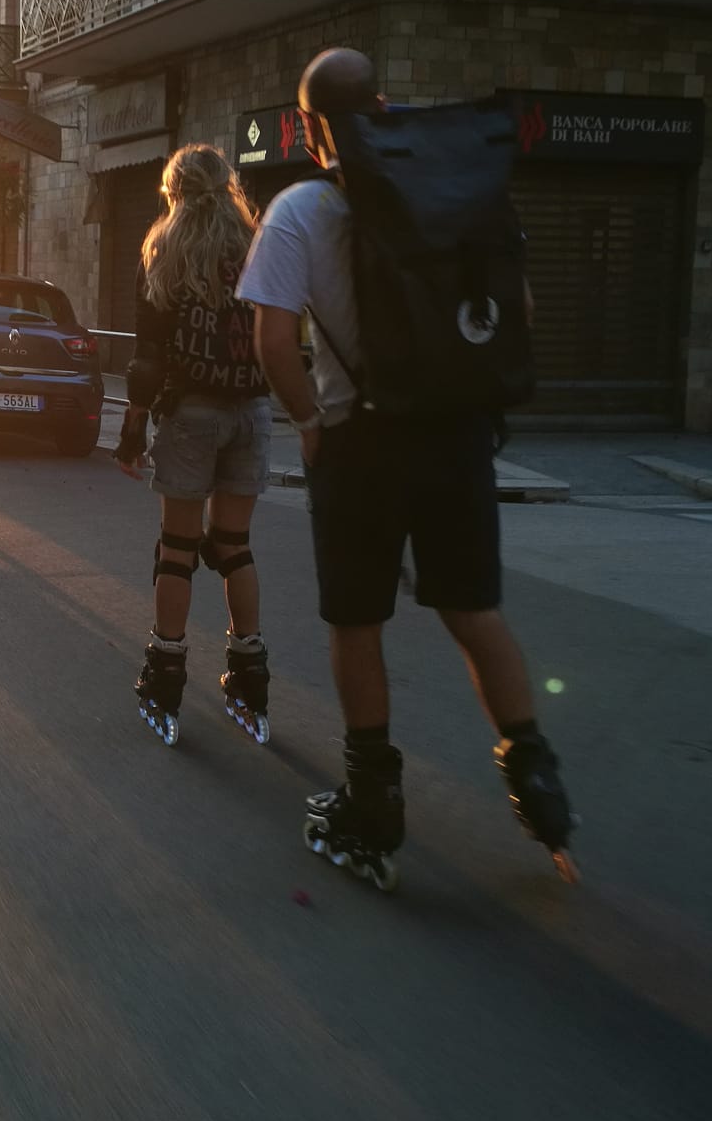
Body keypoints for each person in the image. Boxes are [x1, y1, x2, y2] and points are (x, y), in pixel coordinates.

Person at [234, 47, 572, 892]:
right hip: (456, 435)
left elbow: (272, 341)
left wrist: (309, 423)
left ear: (307, 127)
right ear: (381, 106)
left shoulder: (300, 209)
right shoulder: (461, 192)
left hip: (361, 441)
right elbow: (521, 310)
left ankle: (372, 803)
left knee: (358, 623)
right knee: (473, 610)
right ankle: (537, 780)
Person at [117, 144, 274, 747]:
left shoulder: (164, 247)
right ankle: (250, 676)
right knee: (234, 545)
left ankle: (165, 675)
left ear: (174, 190)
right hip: (252, 410)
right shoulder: (258, 243)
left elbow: (149, 352)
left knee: (177, 549)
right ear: (228, 186)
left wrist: (133, 430)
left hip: (193, 412)